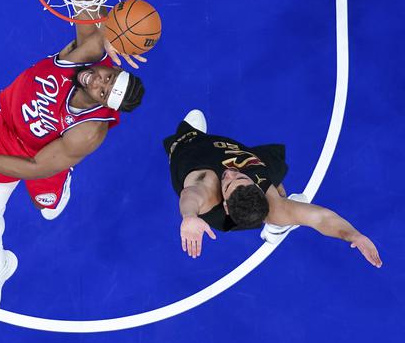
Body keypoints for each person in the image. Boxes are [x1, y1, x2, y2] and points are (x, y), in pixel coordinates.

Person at [0, 0, 147, 321]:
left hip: (43, 158)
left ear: (103, 104)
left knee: (47, 209)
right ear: (113, 66)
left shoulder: (89, 131)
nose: (98, 81)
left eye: (105, 92)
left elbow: (34, 167)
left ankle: (60, 188)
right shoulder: (91, 50)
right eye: (108, 77)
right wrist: (113, 26)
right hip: (5, 133)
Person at [163, 109, 382, 268]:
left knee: (187, 135)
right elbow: (321, 218)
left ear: (226, 206)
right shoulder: (266, 198)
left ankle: (191, 133)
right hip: (237, 161)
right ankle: (278, 224)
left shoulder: (207, 186)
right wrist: (355, 235)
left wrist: (189, 216)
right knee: (276, 188)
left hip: (192, 147)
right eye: (238, 178)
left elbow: (190, 195)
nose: (229, 174)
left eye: (230, 183)